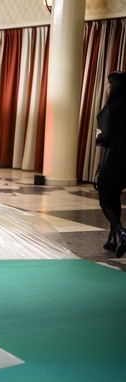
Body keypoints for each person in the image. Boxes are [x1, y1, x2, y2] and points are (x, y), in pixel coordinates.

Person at [95, 71, 126, 258]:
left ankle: (122, 231)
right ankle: (112, 239)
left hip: (111, 161)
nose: (106, 87)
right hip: (125, 164)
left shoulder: (109, 109)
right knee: (114, 197)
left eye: (108, 84)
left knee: (105, 198)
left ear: (113, 86)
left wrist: (97, 132)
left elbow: (104, 136)